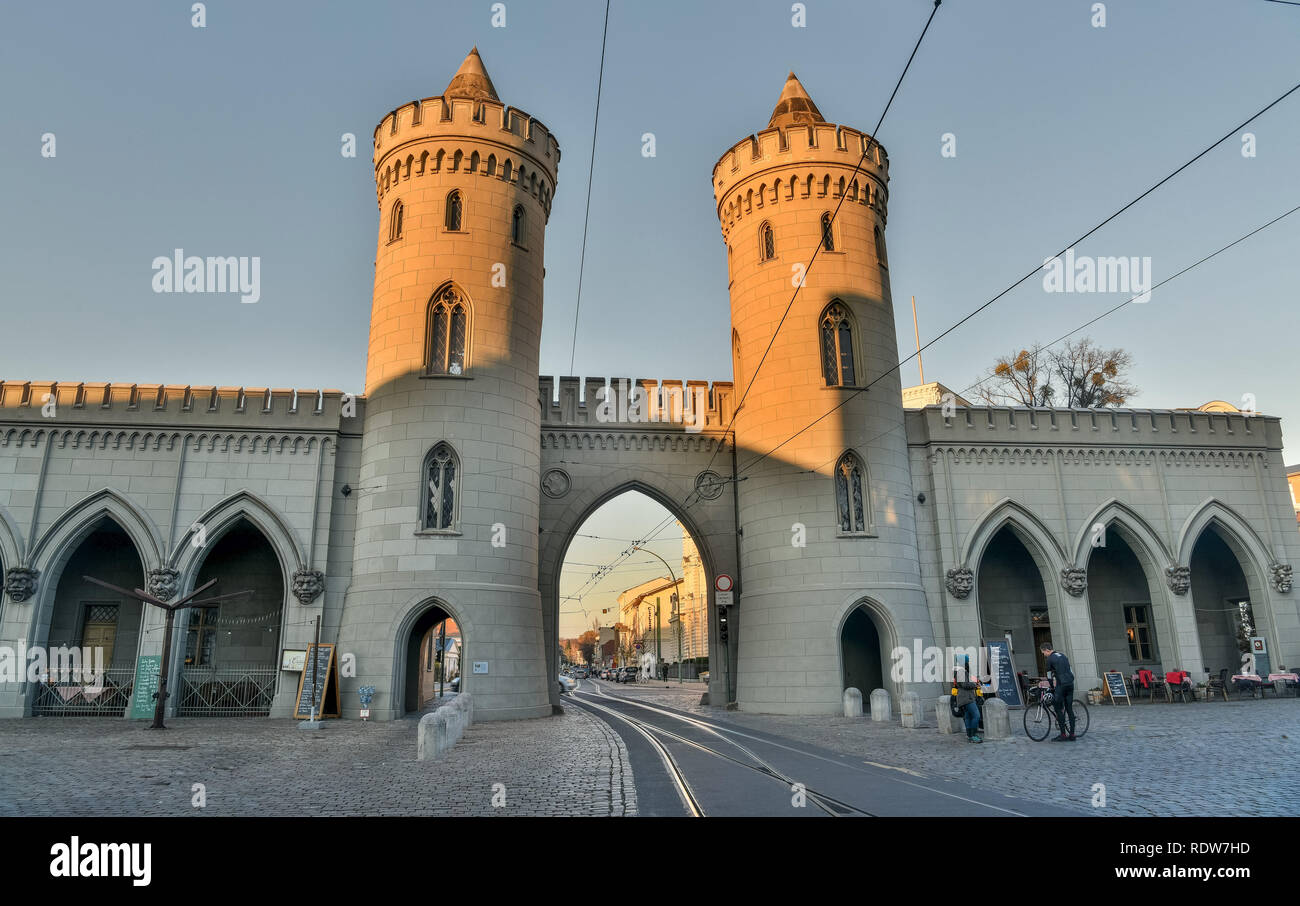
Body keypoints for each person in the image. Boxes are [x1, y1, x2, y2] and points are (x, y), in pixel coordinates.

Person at [1040, 643, 1076, 741]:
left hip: (1062, 685)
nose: (1044, 655)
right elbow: (1071, 671)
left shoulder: (1049, 659)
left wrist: (1052, 687)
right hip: (1070, 683)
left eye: (1043, 653)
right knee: (1069, 709)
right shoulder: (1063, 656)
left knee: (1058, 708)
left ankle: (1063, 735)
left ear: (1047, 650)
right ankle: (1072, 735)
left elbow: (1049, 676)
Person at [950, 675, 984, 744]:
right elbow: (965, 684)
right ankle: (973, 735)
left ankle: (969, 735)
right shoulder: (961, 672)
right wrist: (975, 683)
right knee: (976, 715)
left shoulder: (964, 672)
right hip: (966, 699)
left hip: (966, 698)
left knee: (968, 717)